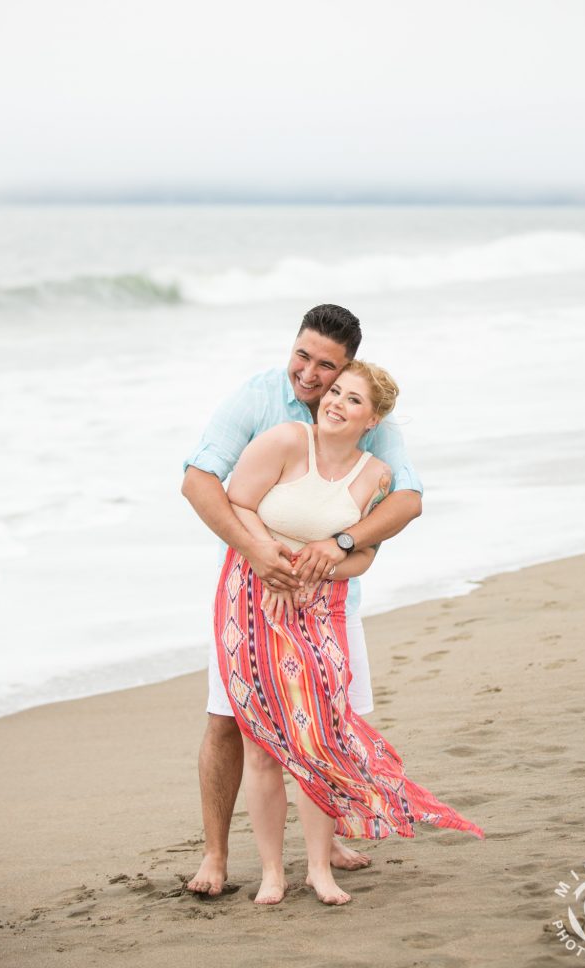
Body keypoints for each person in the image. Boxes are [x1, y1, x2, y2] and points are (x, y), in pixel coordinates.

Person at [215, 360, 484, 906]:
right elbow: (235, 501)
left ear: (374, 417)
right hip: (251, 595)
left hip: (320, 607)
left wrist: (319, 566)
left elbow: (363, 556)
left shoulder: (376, 475)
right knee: (264, 747)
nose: (335, 402)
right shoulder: (287, 440)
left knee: (323, 738)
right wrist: (272, 560)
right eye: (334, 391)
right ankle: (272, 873)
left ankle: (319, 868)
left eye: (352, 399)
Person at [182, 304, 423, 896]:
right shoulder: (259, 401)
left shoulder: (366, 411)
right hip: (247, 592)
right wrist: (259, 554)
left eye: (330, 368)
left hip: (330, 602)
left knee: (330, 724)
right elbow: (199, 481)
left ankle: (325, 844)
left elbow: (406, 499)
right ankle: (215, 855)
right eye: (303, 357)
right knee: (227, 723)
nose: (313, 377)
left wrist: (339, 545)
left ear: (349, 368)